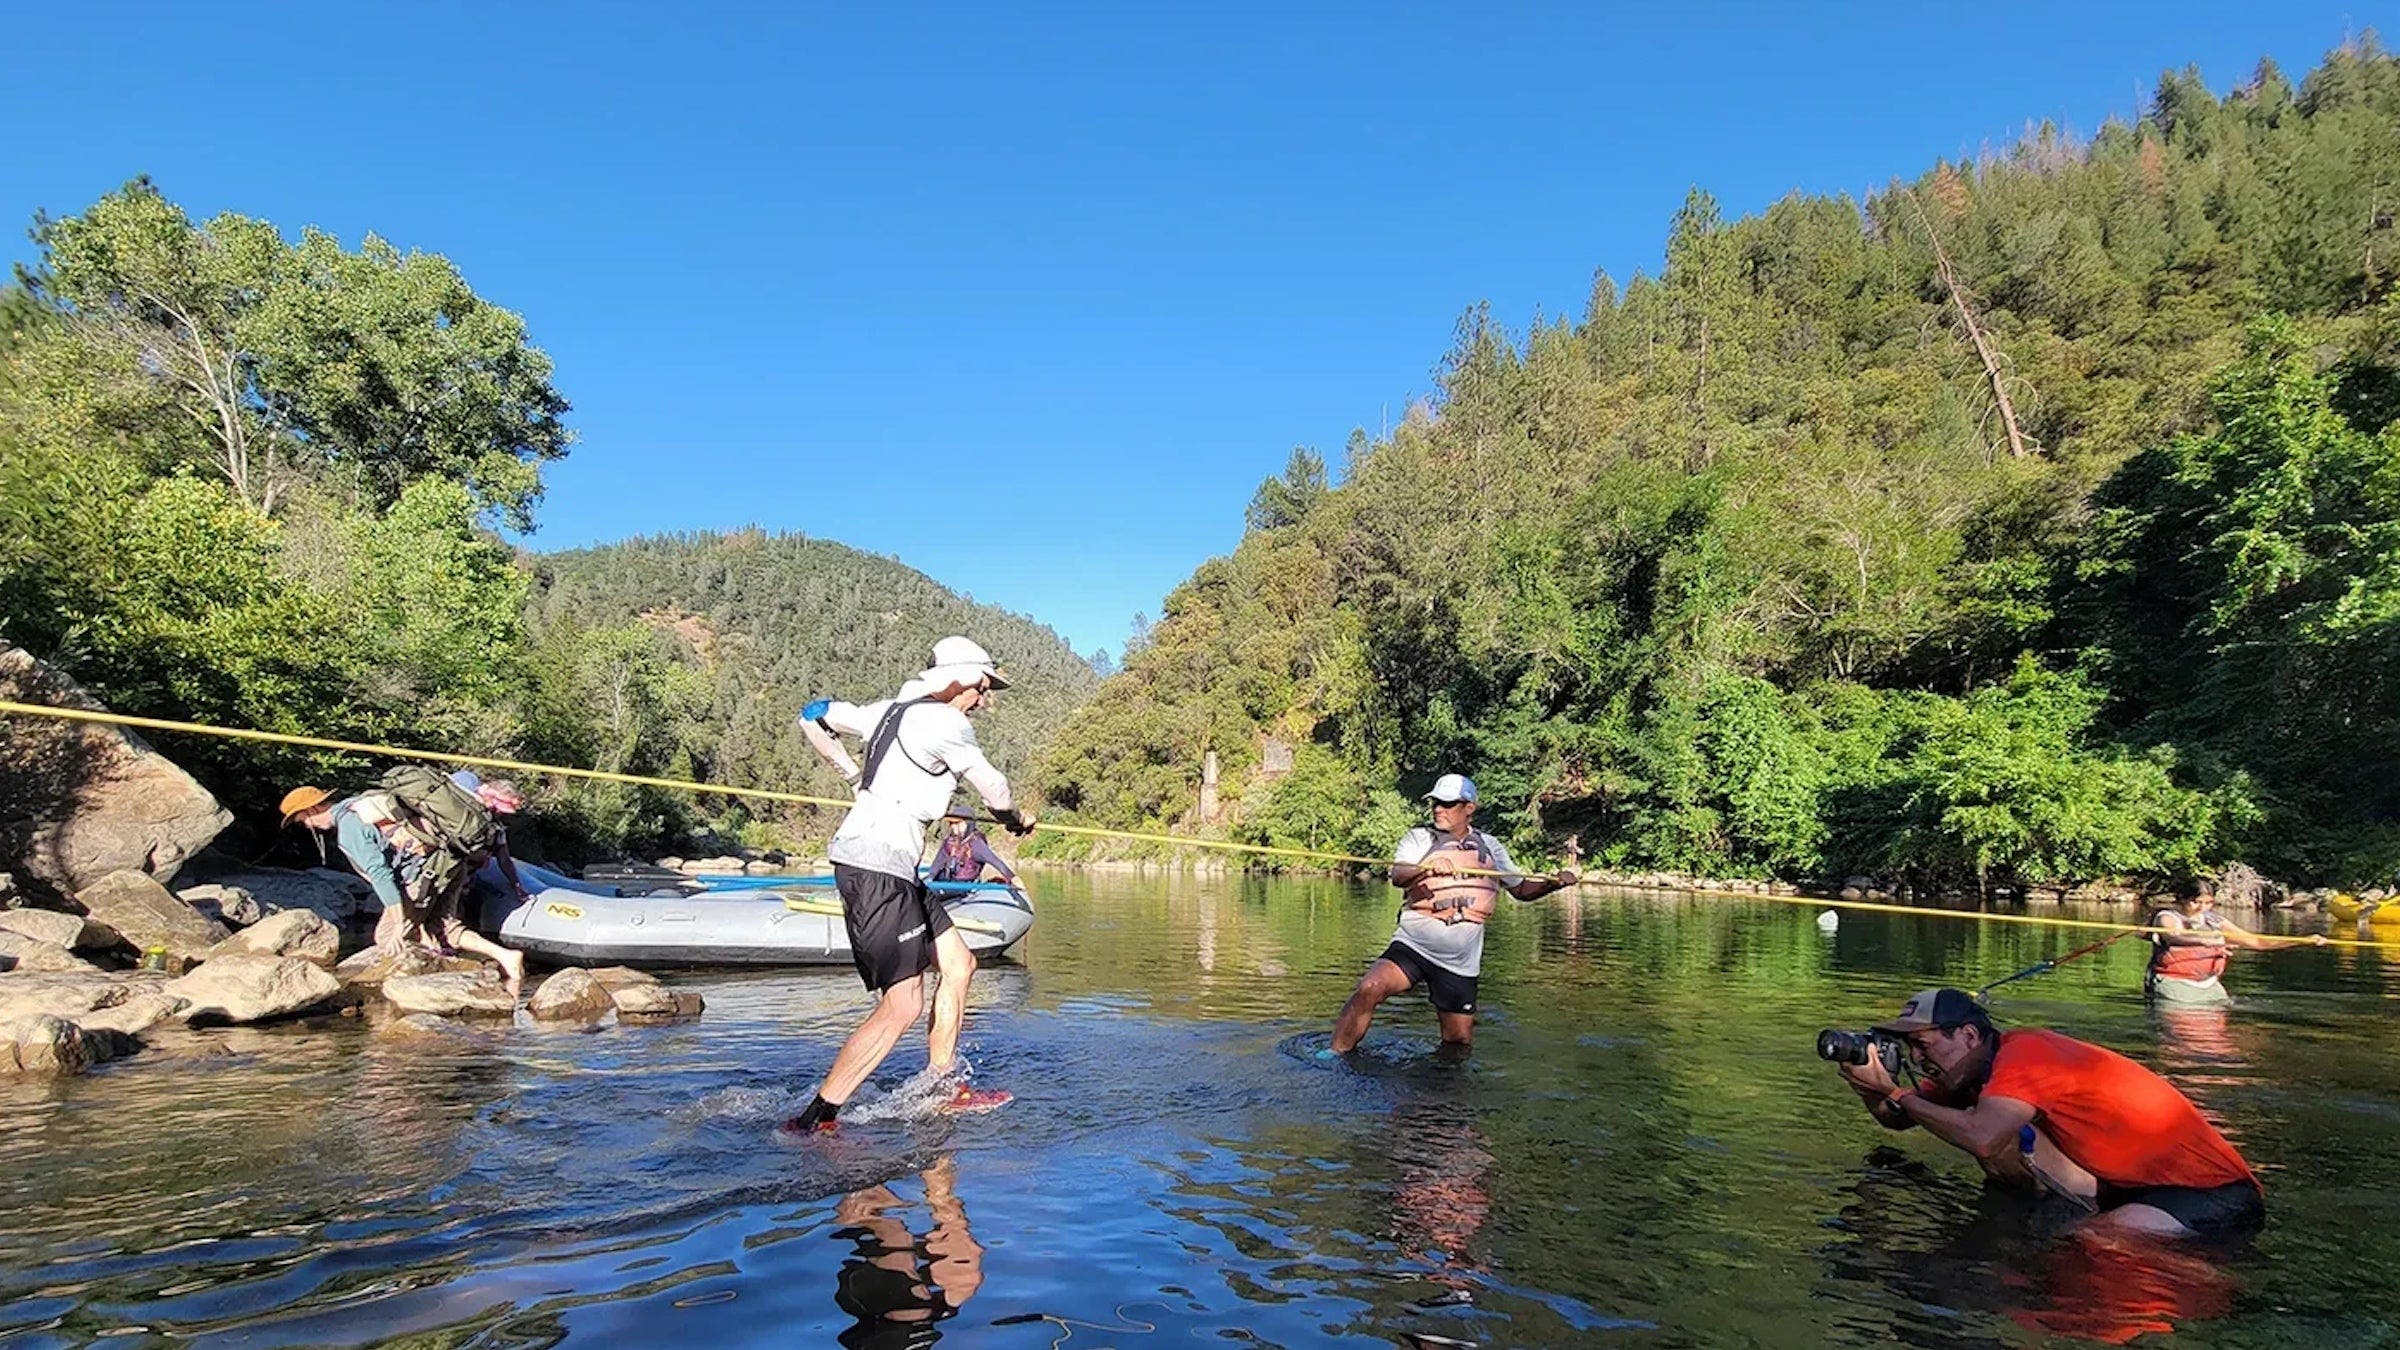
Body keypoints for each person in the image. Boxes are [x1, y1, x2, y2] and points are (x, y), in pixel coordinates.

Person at [783, 637, 1035, 1133]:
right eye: (982, 688)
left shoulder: (886, 710)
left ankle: (944, 1089)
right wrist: (1015, 819)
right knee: (903, 1004)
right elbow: (994, 787)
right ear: (959, 680)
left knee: (959, 964)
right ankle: (815, 1119)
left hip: (894, 867)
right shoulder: (946, 721)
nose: (984, 699)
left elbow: (812, 714)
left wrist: (853, 775)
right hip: (876, 866)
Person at [1833, 987, 2264, 1241]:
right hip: (2123, 1186)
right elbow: (1899, 1118)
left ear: (1967, 1035)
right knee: (2003, 1140)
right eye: (1910, 1048)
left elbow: (1980, 1135)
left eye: (1923, 1045)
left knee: (2092, 1243)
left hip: (2211, 1194)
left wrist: (1894, 1090)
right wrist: (1868, 1088)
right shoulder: (1969, 1072)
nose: (1916, 1056)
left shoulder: (2027, 1058)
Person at [1328, 773, 1577, 1053]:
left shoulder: (1490, 846)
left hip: (1460, 960)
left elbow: (1520, 890)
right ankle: (1333, 1056)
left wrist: (1552, 884)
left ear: (1469, 808)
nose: (1438, 809)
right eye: (1436, 803)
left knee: (1458, 1043)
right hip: (1414, 944)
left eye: (1447, 804)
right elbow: (1398, 875)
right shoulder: (1419, 838)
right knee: (1370, 987)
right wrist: (1427, 867)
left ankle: (1446, 1091)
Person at [279, 781, 527, 997]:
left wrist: (399, 924)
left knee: (387, 938)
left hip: (425, 873)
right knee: (441, 927)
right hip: (450, 861)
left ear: (311, 809)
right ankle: (504, 957)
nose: (307, 827)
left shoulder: (349, 828)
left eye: (303, 821)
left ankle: (430, 981)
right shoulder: (362, 802)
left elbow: (381, 874)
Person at [2147, 878, 2325, 1005]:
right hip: (2175, 984)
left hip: (2209, 985)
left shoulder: (2214, 921)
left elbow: (2257, 942)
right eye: (2196, 902)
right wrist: (2206, 941)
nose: (2202, 908)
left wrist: (2302, 941)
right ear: (2182, 898)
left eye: (2208, 903)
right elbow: (2174, 937)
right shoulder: (2167, 917)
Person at [450, 770, 535, 903]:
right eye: (497, 808)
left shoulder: (495, 829)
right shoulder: (463, 786)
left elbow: (504, 859)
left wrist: (516, 884)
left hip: (459, 880)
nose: (498, 812)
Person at [927, 814, 1020, 888]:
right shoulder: (949, 842)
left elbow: (995, 861)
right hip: (945, 883)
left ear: (967, 823)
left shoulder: (976, 844)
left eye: (957, 823)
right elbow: (937, 863)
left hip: (964, 886)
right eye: (951, 823)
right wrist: (929, 879)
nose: (953, 827)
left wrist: (1012, 877)